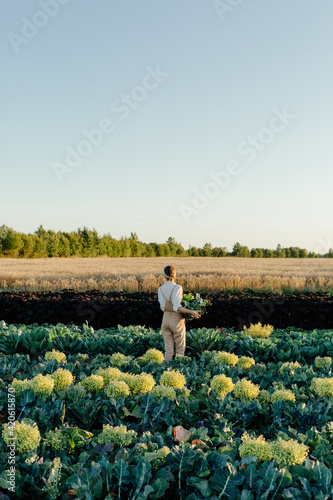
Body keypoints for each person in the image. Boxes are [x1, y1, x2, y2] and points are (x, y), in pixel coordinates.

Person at [158, 265, 201, 362]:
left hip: (165, 319)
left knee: (168, 350)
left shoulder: (160, 289)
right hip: (176, 320)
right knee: (180, 349)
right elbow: (177, 307)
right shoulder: (177, 288)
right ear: (175, 275)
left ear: (164, 276)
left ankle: (165, 370)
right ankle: (179, 369)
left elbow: (162, 306)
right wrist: (192, 312)